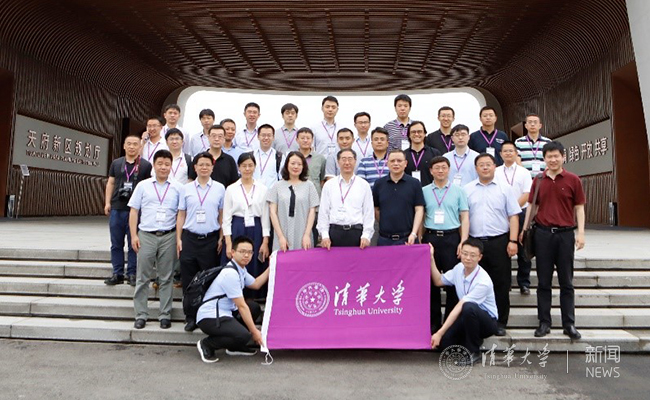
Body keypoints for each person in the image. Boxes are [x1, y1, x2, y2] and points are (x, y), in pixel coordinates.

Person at [521, 141, 586, 340]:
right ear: (544, 159)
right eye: (549, 156)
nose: (553, 159)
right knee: (543, 281)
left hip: (565, 235)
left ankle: (569, 324)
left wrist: (581, 233)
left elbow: (579, 208)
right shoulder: (538, 180)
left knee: (567, 282)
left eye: (556, 156)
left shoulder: (573, 180)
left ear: (563, 157)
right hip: (543, 235)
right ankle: (544, 322)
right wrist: (524, 229)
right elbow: (532, 206)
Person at [464, 153, 521, 336]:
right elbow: (463, 218)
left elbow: (513, 216)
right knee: (475, 283)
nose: (485, 167)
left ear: (495, 166)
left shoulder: (505, 188)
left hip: (499, 241)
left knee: (501, 283)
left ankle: (500, 321)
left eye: (488, 164)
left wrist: (513, 240)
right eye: (481, 165)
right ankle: (478, 320)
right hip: (475, 243)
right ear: (476, 168)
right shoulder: (467, 189)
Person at [128, 150, 183, 330]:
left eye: (167, 164)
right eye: (160, 163)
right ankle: (141, 315)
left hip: (168, 235)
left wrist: (178, 238)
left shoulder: (178, 187)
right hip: (146, 235)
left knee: (166, 277)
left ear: (171, 166)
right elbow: (134, 211)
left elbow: (181, 214)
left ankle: (165, 314)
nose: (163, 167)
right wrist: (134, 235)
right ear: (154, 165)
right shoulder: (143, 186)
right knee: (142, 277)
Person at [196, 236, 270, 363]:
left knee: (254, 308)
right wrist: (254, 332)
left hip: (226, 313)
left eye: (249, 252)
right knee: (244, 335)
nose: (246, 255)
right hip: (210, 317)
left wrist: (272, 266)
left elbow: (256, 284)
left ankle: (234, 346)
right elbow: (241, 306)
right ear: (233, 252)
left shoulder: (240, 269)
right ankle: (207, 344)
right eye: (242, 251)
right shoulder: (230, 274)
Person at [176, 152, 226, 332]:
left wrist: (221, 237)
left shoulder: (220, 188)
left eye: (207, 165)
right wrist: (178, 239)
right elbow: (181, 215)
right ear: (195, 167)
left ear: (212, 167)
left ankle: (206, 315)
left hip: (210, 240)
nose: (204, 167)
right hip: (189, 239)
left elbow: (222, 215)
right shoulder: (186, 188)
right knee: (189, 280)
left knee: (209, 280)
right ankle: (190, 316)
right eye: (201, 164)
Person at [429, 239, 499, 365]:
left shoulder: (483, 281)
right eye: (465, 253)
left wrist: (439, 332)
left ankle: (474, 351)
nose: (468, 258)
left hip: (487, 322)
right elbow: (438, 281)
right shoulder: (459, 268)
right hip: (467, 317)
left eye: (472, 255)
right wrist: (431, 258)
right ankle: (472, 338)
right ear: (460, 253)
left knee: (468, 307)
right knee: (444, 344)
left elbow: (461, 305)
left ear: (480, 257)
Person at [422, 156, 469, 332]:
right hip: (431, 237)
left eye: (443, 167)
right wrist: (420, 239)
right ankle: (433, 322)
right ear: (431, 171)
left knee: (453, 282)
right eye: (437, 168)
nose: (440, 170)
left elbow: (464, 217)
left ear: (449, 170)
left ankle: (450, 321)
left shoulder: (458, 191)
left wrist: (463, 241)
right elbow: (421, 215)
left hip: (452, 238)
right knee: (430, 282)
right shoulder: (424, 191)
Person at [104, 133, 153, 286]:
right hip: (117, 208)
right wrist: (107, 202)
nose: (132, 147)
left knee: (134, 243)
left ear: (140, 146)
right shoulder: (116, 163)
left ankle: (132, 273)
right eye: (129, 144)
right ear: (124, 146)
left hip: (136, 210)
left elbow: (148, 188)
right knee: (116, 243)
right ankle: (117, 273)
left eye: (135, 144)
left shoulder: (146, 165)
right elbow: (111, 183)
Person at [222, 153, 271, 300]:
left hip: (256, 227)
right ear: (239, 168)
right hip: (237, 226)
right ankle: (235, 297)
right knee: (238, 259)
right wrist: (228, 242)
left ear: (255, 167)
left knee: (254, 260)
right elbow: (226, 218)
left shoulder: (262, 189)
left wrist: (265, 241)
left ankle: (253, 299)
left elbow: (265, 216)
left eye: (250, 165)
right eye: (244, 166)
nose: (247, 169)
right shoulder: (231, 189)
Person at [495, 141, 533, 295]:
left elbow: (527, 193)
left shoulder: (524, 172)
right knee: (504, 250)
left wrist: (513, 208)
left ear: (516, 153)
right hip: (501, 215)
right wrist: (507, 211)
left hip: (521, 213)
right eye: (505, 151)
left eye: (511, 151)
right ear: (500, 154)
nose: (508, 153)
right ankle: (507, 282)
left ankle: (524, 283)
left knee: (523, 250)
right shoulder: (496, 172)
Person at [317, 149, 374, 249]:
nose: (347, 163)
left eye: (350, 159)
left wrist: (366, 235)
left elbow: (368, 212)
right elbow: (323, 212)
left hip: (356, 233)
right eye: (343, 159)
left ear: (355, 161)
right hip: (334, 233)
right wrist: (325, 235)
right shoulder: (329, 185)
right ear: (338, 162)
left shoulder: (363, 185)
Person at [267, 151, 320, 252]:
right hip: (282, 233)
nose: (296, 167)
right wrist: (280, 236)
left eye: (299, 164)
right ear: (287, 164)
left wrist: (307, 234)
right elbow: (273, 212)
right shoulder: (277, 186)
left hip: (303, 233)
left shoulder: (309, 186)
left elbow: (312, 211)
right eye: (293, 163)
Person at [372, 150, 424, 246]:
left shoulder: (415, 183)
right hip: (385, 239)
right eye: (392, 161)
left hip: (408, 239)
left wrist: (413, 233)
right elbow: (376, 209)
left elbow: (419, 209)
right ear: (387, 163)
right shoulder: (379, 184)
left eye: (399, 161)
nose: (396, 163)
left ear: (405, 163)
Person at [403, 121, 441, 186]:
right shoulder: (403, 155)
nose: (416, 134)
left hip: (430, 190)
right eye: (413, 132)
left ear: (424, 134)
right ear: (409, 135)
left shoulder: (435, 153)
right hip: (409, 190)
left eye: (419, 131)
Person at [297, 127, 326, 197]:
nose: (305, 140)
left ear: (312, 140)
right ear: (297, 140)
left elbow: (322, 180)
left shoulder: (320, 158)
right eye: (302, 138)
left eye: (308, 138)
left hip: (315, 195)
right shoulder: (292, 157)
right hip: (297, 195)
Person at [253, 124, 284, 189]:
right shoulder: (251, 156)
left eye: (269, 135)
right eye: (263, 135)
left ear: (273, 137)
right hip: (253, 192)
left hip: (272, 193)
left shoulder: (279, 157)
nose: (266, 138)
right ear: (258, 137)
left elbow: (282, 178)